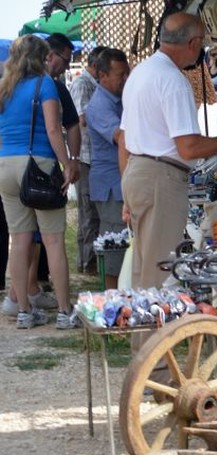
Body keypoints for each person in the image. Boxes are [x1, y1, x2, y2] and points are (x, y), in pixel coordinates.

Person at [119, 12, 217, 293]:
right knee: (156, 278)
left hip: (138, 172)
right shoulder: (172, 80)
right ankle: (154, 337)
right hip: (160, 178)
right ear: (194, 43)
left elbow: (122, 138)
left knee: (143, 274)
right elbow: (189, 147)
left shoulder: (141, 73)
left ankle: (146, 336)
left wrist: (127, 191)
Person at [0, 35, 77, 329]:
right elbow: (53, 130)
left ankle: (23, 310)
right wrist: (67, 163)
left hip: (5, 164)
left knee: (18, 241)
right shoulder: (43, 84)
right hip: (38, 164)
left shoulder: (4, 88)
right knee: (53, 240)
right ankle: (63, 311)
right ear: (40, 58)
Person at [87, 48, 130, 289]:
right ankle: (112, 303)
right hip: (112, 187)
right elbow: (122, 137)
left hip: (119, 183)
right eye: (120, 74)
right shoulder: (99, 105)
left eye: (127, 72)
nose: (126, 78)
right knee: (115, 249)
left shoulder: (118, 99)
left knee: (125, 249)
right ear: (102, 76)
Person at [69, 45, 106, 275]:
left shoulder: (93, 84)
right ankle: (87, 262)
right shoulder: (83, 84)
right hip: (86, 156)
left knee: (91, 211)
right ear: (95, 65)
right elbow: (82, 118)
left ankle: (86, 261)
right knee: (88, 213)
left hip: (93, 156)